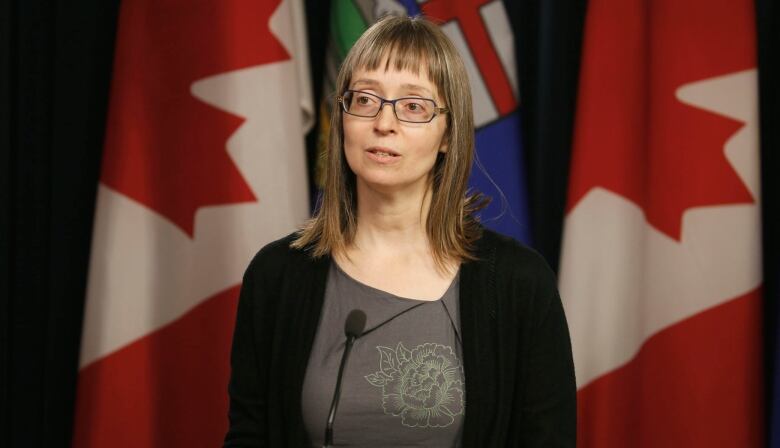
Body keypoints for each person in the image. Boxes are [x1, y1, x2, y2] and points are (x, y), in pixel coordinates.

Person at [223, 15, 576, 447]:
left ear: (448, 134)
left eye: (413, 106)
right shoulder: (277, 276)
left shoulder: (520, 283)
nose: (383, 123)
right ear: (343, 119)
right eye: (366, 99)